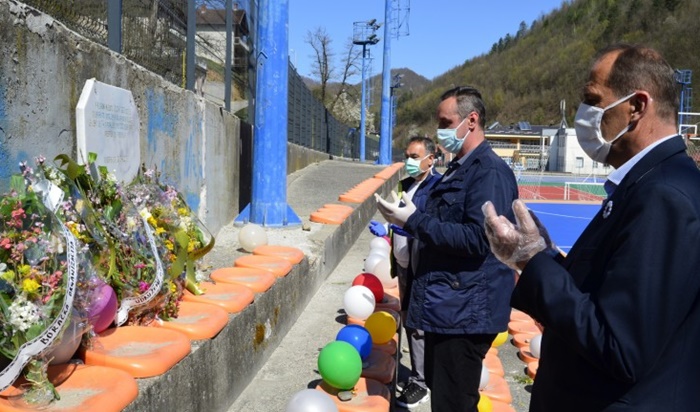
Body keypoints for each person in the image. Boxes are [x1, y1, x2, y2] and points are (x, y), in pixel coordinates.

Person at [482, 44, 700, 411]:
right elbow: (604, 294)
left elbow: (620, 345)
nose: (587, 113)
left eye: (593, 99)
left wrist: (532, 263)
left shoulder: (663, 196)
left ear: (636, 106)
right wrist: (546, 256)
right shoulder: (651, 184)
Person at [375, 86, 518, 412]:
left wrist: (414, 221)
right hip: (450, 306)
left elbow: (479, 239)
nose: (440, 130)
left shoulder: (489, 172)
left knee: (454, 402)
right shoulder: (462, 167)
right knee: (445, 398)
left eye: (445, 121)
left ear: (471, 120)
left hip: (466, 313)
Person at [368, 136, 442, 408]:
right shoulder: (404, 184)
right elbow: (398, 215)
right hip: (403, 263)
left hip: (423, 266)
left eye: (415, 156)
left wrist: (403, 228)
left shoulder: (437, 188)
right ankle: (420, 375)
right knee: (409, 320)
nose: (409, 161)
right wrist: (388, 230)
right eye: (407, 155)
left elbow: (430, 227)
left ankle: (421, 383)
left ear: (431, 159)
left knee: (420, 324)